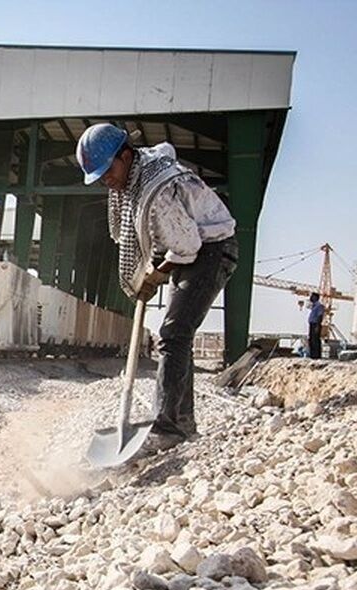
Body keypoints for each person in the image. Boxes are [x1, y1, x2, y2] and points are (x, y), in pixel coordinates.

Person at [77, 123, 239, 453]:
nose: (106, 180)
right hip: (195, 248)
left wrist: (156, 274)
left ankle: (166, 428)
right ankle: (183, 423)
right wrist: (156, 268)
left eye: (108, 171)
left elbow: (188, 246)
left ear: (125, 156)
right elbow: (170, 241)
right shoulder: (139, 175)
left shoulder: (158, 191)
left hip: (213, 249)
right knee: (178, 335)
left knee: (173, 333)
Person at [307, 292, 325, 358]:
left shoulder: (319, 306)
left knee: (315, 340)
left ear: (315, 297)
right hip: (312, 324)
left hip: (315, 324)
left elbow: (320, 316)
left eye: (312, 296)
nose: (310, 298)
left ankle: (316, 355)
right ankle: (312, 355)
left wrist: (317, 326)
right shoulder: (313, 306)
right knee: (311, 340)